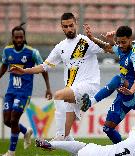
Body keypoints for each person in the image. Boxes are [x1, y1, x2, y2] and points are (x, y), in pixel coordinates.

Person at [10, 13, 104, 142]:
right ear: (62, 27)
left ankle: (59, 134)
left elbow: (109, 49)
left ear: (75, 24)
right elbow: (44, 66)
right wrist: (24, 71)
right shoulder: (60, 47)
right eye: (66, 26)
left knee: (58, 95)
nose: (69, 29)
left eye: (71, 25)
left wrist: (95, 38)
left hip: (89, 85)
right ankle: (75, 151)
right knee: (67, 134)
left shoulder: (85, 41)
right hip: (72, 90)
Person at [80, 24, 135, 144]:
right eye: (119, 42)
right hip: (124, 92)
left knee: (118, 79)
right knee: (108, 128)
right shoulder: (122, 49)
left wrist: (132, 91)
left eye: (123, 42)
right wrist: (92, 38)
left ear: (130, 39)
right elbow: (107, 47)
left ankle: (90, 102)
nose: (120, 45)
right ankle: (123, 150)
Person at [0, 23, 52, 156]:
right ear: (13, 38)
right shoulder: (7, 51)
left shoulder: (32, 52)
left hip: (24, 92)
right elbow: (4, 65)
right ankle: (25, 131)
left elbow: (43, 68)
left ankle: (11, 152)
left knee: (14, 119)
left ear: (24, 37)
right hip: (11, 91)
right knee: (7, 121)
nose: (19, 40)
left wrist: (48, 87)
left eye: (21, 37)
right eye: (16, 37)